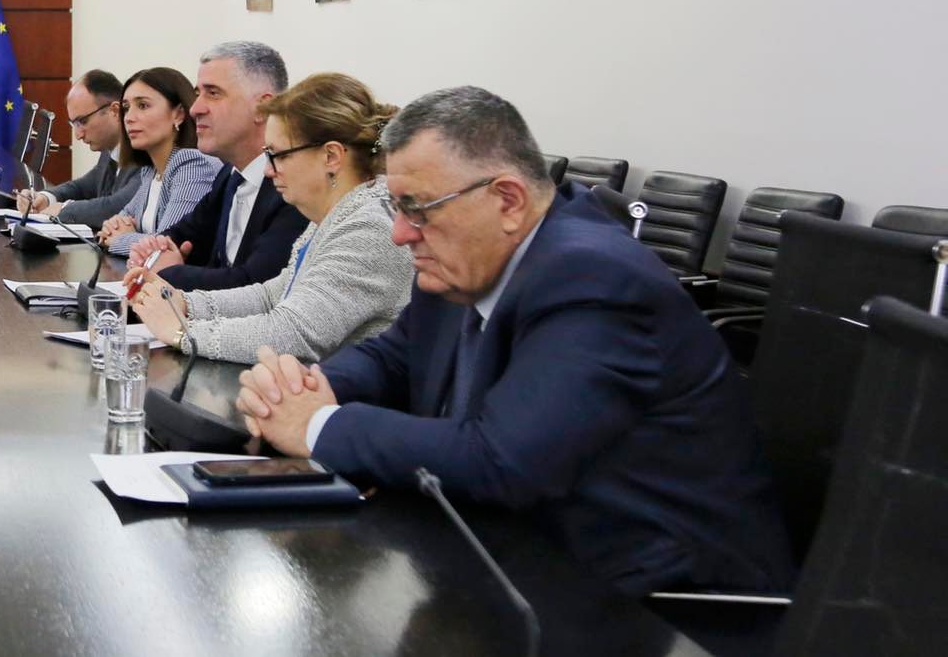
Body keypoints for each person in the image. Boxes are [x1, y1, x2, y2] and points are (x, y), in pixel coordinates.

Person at [234, 86, 794, 596]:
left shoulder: (594, 280)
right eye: (397, 207)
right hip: (514, 559)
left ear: (507, 200)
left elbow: (501, 459)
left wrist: (316, 426)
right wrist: (304, 388)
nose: (400, 233)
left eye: (416, 209)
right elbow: (396, 358)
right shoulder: (463, 258)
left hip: (657, 604)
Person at [123, 73, 413, 364]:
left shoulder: (370, 227)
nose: (268, 170)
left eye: (279, 155)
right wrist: (184, 303)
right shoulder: (336, 216)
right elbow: (272, 296)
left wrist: (183, 333)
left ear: (331, 157)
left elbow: (294, 333)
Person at [129, 41, 307, 290]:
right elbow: (182, 236)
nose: (195, 109)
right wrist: (153, 249)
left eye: (213, 93)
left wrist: (169, 271)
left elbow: (255, 286)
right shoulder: (230, 175)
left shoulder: (295, 186)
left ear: (262, 108)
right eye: (198, 94)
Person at [94, 67, 219, 256]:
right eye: (126, 108)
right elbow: (114, 226)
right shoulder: (150, 171)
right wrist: (116, 234)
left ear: (178, 114)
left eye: (143, 106)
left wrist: (119, 239)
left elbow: (167, 247)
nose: (129, 118)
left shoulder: (193, 164)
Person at [15, 69, 136, 220]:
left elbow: (117, 207)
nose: (78, 135)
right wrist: (45, 197)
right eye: (74, 124)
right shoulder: (109, 151)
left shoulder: (144, 152)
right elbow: (83, 187)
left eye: (83, 121)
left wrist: (63, 209)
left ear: (115, 111)